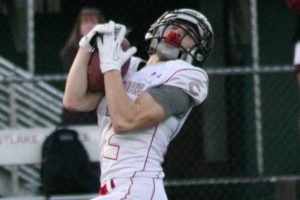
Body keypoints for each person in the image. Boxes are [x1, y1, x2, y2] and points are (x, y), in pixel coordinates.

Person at [63, 8, 214, 199]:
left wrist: (111, 68)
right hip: (112, 188)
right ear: (157, 29)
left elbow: (126, 121)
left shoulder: (184, 74)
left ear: (198, 50)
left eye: (188, 35)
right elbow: (74, 101)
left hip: (138, 186)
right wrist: (86, 47)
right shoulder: (128, 66)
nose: (176, 35)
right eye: (174, 27)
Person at [60, 7, 105, 125]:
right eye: (85, 22)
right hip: (77, 110)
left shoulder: (107, 49)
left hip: (100, 107)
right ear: (79, 28)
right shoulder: (70, 50)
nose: (89, 26)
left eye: (93, 22)